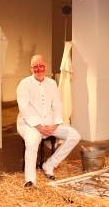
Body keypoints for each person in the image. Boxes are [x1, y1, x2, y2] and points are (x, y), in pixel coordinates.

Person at [16, 55, 81, 188]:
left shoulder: (51, 83)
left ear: (45, 67)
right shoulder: (24, 83)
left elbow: (57, 105)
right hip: (29, 124)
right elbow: (24, 107)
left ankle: (50, 164)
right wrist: (38, 126)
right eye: (35, 67)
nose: (39, 69)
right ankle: (30, 179)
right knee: (32, 141)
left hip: (50, 123)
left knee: (74, 135)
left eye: (41, 66)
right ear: (31, 68)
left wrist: (56, 124)